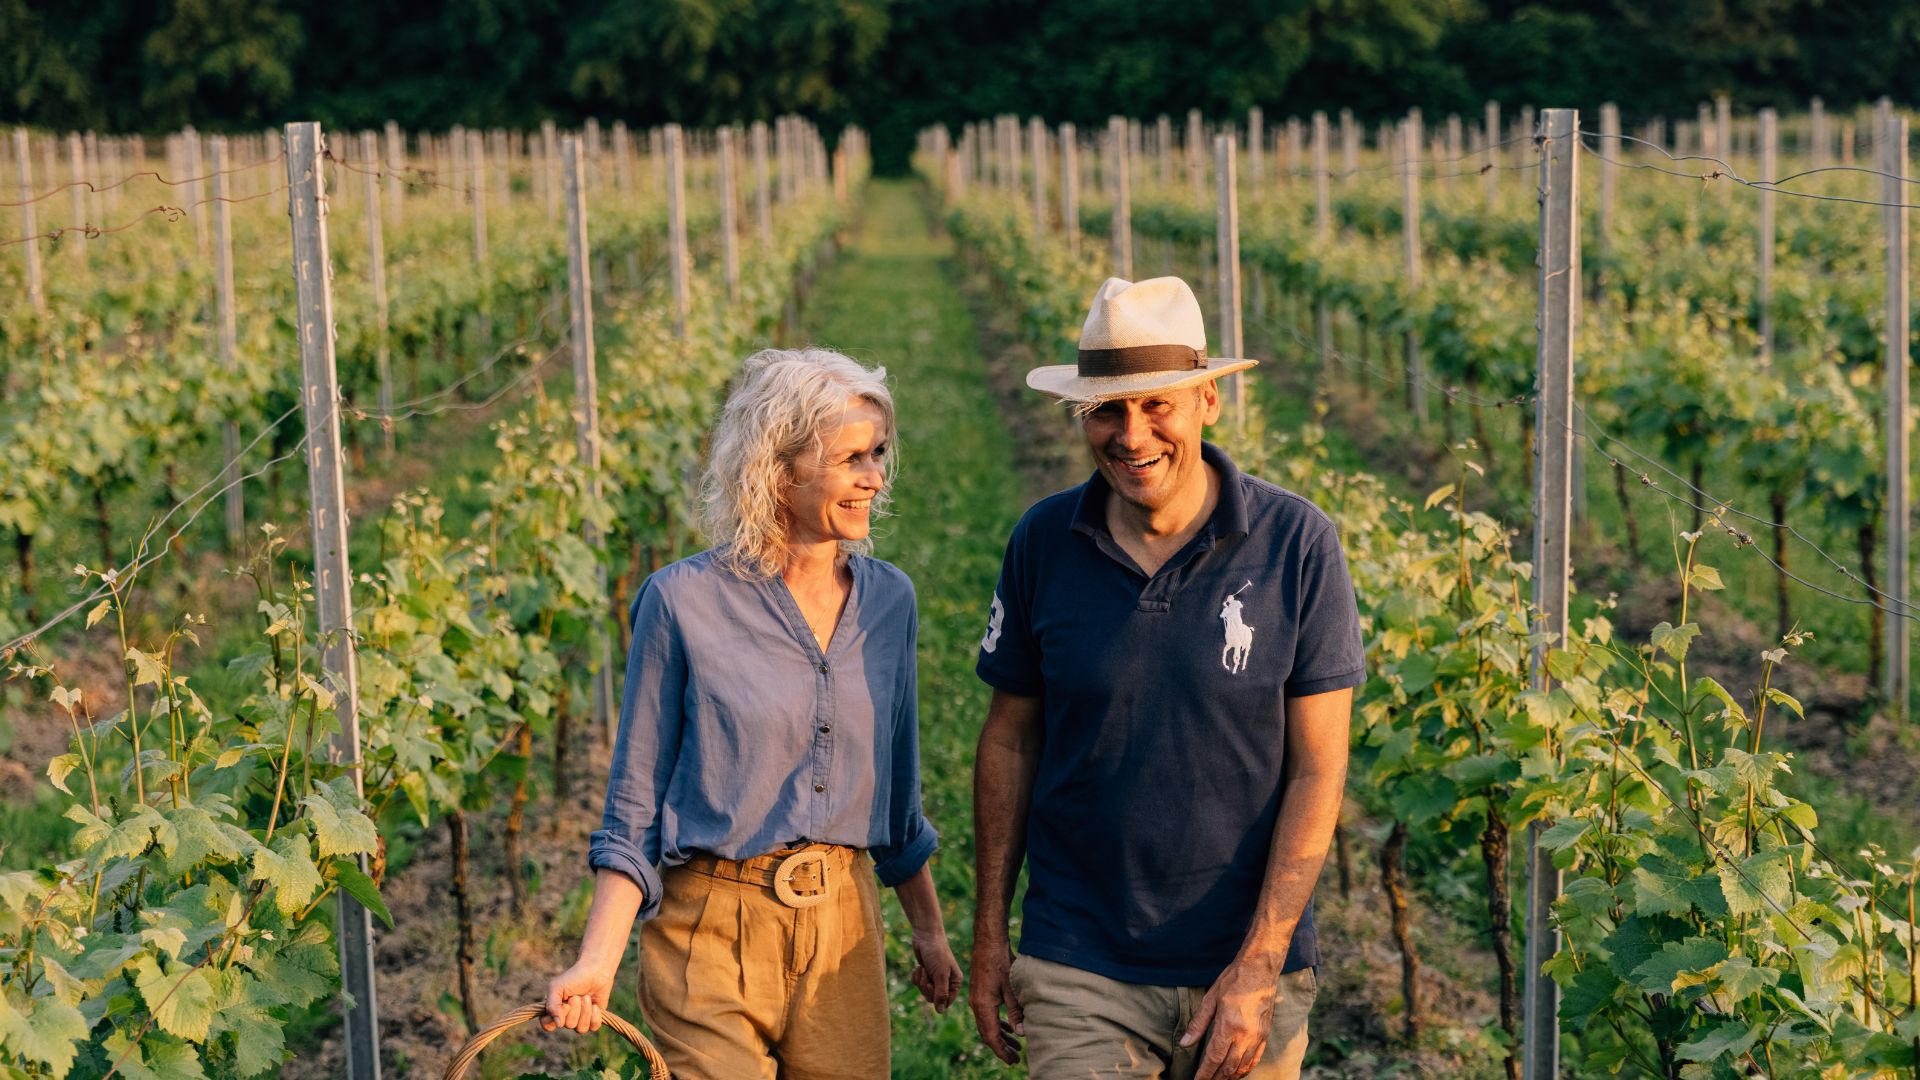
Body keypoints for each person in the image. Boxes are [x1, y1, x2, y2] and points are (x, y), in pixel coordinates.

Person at [969, 277, 1365, 1080]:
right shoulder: (1044, 541)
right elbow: (1009, 741)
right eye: (1107, 410)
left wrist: (1260, 964)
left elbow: (1318, 767)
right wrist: (987, 935)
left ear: (1207, 400)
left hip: (1248, 963)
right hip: (1079, 956)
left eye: (1158, 406)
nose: (1131, 434)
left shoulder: (1296, 545)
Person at [544, 347, 962, 1079]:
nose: (875, 477)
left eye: (880, 454)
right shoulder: (680, 604)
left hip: (844, 929)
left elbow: (898, 795)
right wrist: (596, 962)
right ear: (779, 468)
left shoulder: (890, 602)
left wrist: (928, 930)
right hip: (709, 933)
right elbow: (634, 806)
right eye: (853, 458)